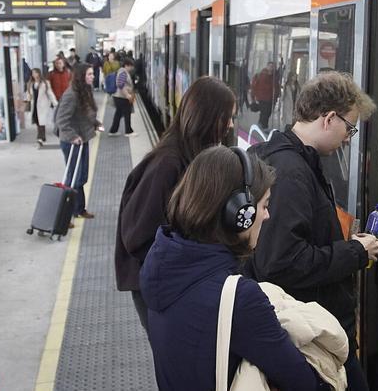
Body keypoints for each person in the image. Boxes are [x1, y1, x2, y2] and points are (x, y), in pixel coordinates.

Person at [140, 146, 328, 391]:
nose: (268, 216)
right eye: (264, 205)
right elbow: (303, 382)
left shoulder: (161, 261)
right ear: (240, 213)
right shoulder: (239, 298)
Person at [247, 71, 378, 391]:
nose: (349, 137)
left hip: (308, 325)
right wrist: (356, 253)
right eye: (349, 127)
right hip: (310, 333)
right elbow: (281, 262)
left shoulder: (285, 157)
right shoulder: (292, 173)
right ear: (328, 118)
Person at [116, 77, 236, 330]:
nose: (231, 125)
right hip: (157, 284)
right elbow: (137, 236)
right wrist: (187, 266)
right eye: (226, 117)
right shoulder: (166, 165)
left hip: (172, 280)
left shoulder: (187, 156)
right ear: (207, 117)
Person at [54, 63, 98, 222]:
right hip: (71, 141)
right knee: (72, 177)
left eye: (92, 74)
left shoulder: (85, 91)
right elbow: (61, 120)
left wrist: (96, 123)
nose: (93, 76)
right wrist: (72, 136)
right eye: (89, 74)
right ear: (81, 76)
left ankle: (79, 209)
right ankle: (65, 215)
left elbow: (86, 113)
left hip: (81, 138)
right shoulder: (71, 94)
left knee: (82, 176)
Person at [25, 68, 56, 148]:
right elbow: (28, 93)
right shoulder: (30, 83)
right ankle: (43, 136)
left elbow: (50, 93)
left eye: (35, 73)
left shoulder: (45, 83)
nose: (34, 75)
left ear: (39, 73)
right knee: (38, 121)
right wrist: (27, 99)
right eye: (32, 73)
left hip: (43, 105)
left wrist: (55, 102)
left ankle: (40, 138)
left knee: (41, 121)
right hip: (34, 105)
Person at [108, 57, 136, 136]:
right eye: (131, 66)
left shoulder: (122, 71)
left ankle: (113, 131)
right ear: (126, 65)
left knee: (118, 114)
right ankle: (128, 131)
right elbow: (120, 84)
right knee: (127, 113)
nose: (132, 68)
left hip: (118, 97)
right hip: (122, 97)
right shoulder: (123, 72)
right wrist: (127, 95)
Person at [250, 62, 277, 128]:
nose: (271, 68)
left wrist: (276, 96)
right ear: (267, 66)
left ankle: (261, 123)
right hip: (262, 98)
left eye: (272, 66)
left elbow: (276, 87)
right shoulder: (261, 75)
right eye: (270, 66)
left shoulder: (274, 76)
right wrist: (253, 97)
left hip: (270, 98)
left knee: (267, 112)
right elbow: (254, 86)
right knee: (265, 112)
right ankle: (264, 126)